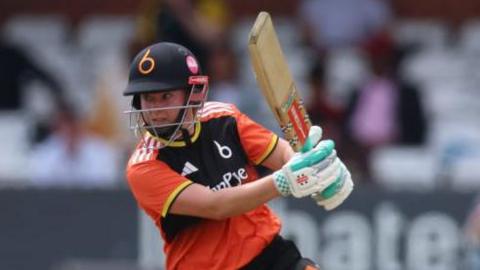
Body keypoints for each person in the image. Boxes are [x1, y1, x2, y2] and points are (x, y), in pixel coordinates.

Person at [123, 42, 354, 270]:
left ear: (192, 93)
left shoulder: (224, 118)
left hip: (271, 256)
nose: (155, 110)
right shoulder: (144, 166)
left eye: (165, 96)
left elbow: (283, 154)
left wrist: (312, 164)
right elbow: (216, 206)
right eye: (148, 98)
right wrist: (285, 180)